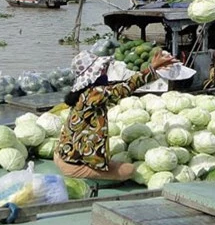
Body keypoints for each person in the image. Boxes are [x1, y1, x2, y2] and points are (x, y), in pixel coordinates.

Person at [54, 48, 178, 181]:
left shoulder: (83, 93)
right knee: (128, 170)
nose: (104, 71)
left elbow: (118, 85)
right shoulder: (94, 94)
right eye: (102, 69)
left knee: (113, 162)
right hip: (75, 165)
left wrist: (151, 70)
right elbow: (125, 88)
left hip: (63, 155)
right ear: (94, 73)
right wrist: (152, 69)